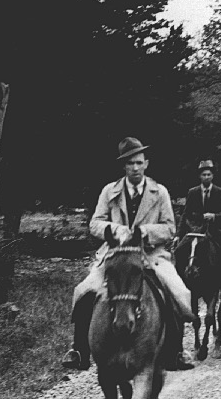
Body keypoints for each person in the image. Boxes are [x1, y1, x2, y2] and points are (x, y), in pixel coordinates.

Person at [62, 137, 196, 372]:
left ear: (146, 164)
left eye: (139, 163)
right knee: (84, 290)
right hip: (115, 255)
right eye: (130, 164)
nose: (135, 168)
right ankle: (79, 349)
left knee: (178, 291)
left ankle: (176, 350)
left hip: (150, 255)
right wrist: (114, 229)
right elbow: (95, 223)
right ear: (124, 166)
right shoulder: (109, 191)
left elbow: (170, 228)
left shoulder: (159, 192)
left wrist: (144, 232)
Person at [180, 159, 221, 295]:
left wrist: (214, 216)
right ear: (199, 176)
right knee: (179, 250)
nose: (206, 177)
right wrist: (179, 234)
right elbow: (185, 215)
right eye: (203, 174)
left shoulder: (220, 192)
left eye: (208, 174)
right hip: (195, 231)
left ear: (212, 176)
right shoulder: (193, 192)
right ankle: (179, 281)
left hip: (215, 231)